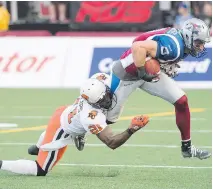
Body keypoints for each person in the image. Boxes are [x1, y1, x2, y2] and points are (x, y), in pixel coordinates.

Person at [106, 18, 211, 160]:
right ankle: (76, 127)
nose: (201, 47)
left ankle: (187, 147)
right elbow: (137, 46)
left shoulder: (183, 45)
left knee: (181, 101)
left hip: (147, 72)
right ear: (188, 36)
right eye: (199, 42)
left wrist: (160, 67)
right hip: (127, 74)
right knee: (107, 119)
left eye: (202, 43)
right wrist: (143, 72)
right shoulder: (174, 46)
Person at [0, 78, 149, 176]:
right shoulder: (91, 115)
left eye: (105, 96)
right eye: (100, 101)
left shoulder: (100, 81)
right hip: (63, 129)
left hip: (65, 112)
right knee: (41, 170)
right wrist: (132, 129)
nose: (106, 102)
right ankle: (2, 164)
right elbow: (111, 142)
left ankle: (38, 148)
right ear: (92, 103)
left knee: (42, 149)